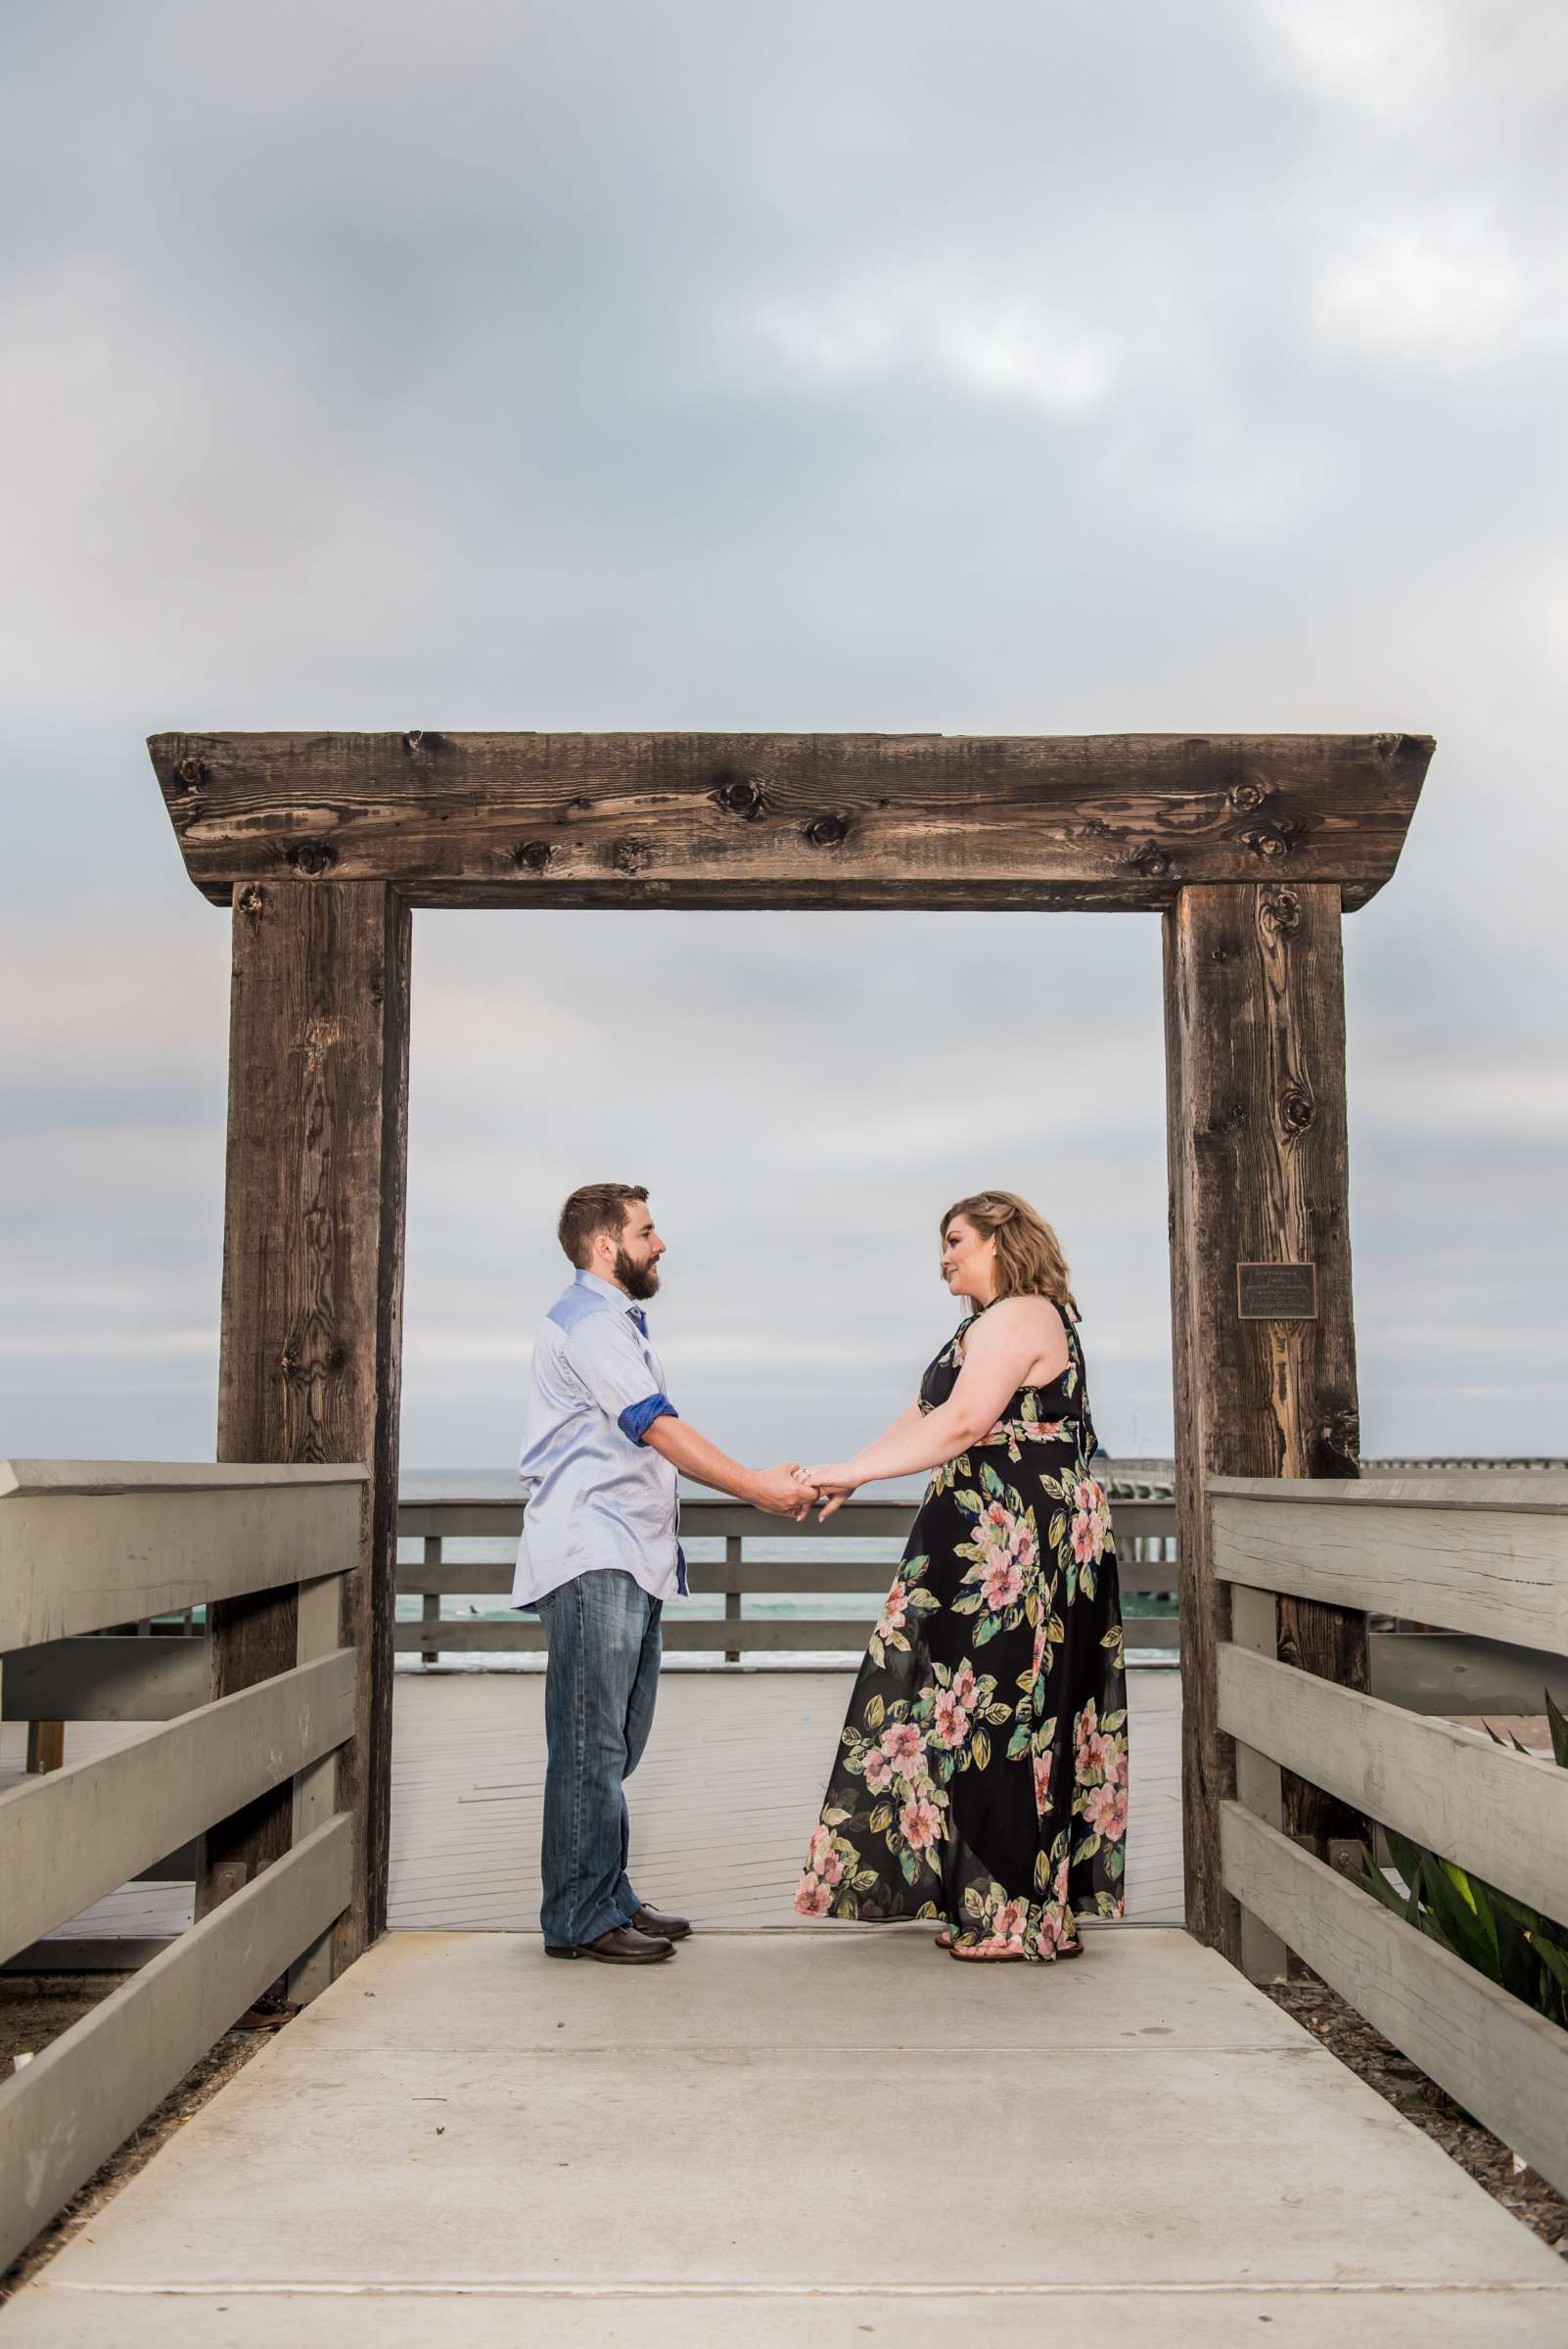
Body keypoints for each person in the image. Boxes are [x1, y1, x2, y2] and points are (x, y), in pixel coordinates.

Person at [793, 1191, 1127, 1960]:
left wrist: (854, 1470)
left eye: (956, 1240)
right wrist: (855, 1473)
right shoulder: (980, 1326)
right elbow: (925, 1415)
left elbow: (966, 1423)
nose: (943, 1256)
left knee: (1008, 1715)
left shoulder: (1023, 1314)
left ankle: (1016, 1915)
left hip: (1020, 1547)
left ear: (1001, 1238)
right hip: (980, 1541)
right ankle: (998, 1902)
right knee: (964, 1711)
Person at [514, 1183, 812, 1965]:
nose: (662, 1243)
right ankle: (578, 1918)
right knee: (591, 1746)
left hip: (629, 1557)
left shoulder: (613, 1322)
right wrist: (758, 1488)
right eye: (648, 1231)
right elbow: (656, 1427)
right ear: (606, 1246)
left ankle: (604, 1894)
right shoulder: (590, 1324)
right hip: (592, 1553)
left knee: (617, 1741)